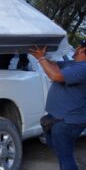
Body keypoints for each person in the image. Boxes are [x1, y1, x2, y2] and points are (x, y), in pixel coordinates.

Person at [29, 40, 86, 170]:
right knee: (61, 154)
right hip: (59, 119)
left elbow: (55, 75)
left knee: (65, 157)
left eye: (78, 46)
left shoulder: (83, 68)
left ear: (82, 49)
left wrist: (41, 57)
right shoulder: (74, 64)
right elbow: (54, 66)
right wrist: (44, 55)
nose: (75, 49)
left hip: (67, 121)